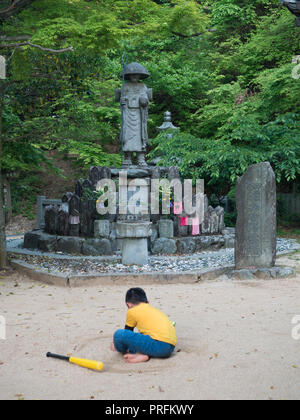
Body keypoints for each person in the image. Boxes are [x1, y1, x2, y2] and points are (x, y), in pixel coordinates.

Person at [110, 287, 177, 363]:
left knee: (119, 334)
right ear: (147, 302)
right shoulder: (155, 310)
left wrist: (117, 344)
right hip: (170, 348)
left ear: (129, 305)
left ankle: (141, 354)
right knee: (140, 336)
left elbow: (127, 331)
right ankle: (144, 354)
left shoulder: (131, 311)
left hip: (159, 345)